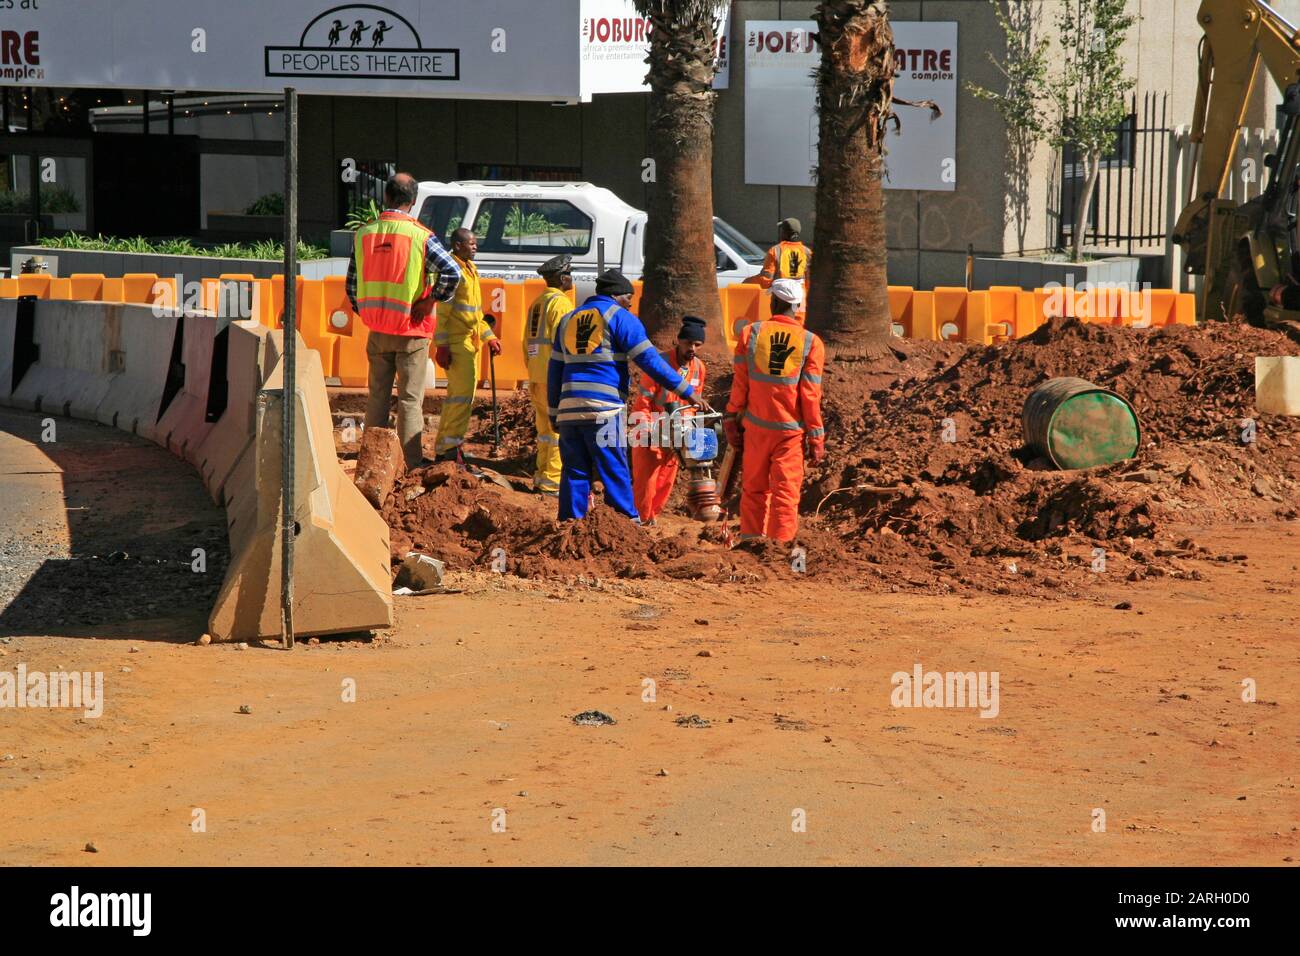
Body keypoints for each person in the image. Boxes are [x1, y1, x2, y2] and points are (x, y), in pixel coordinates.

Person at [548, 269, 712, 521]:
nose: (630, 304)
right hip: (603, 409)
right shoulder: (620, 318)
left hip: (569, 407)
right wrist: (687, 391)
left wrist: (553, 412)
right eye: (629, 299)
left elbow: (555, 369)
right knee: (614, 466)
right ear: (617, 296)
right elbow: (650, 361)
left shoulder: (568, 319)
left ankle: (569, 523)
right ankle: (627, 524)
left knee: (574, 470)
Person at [347, 172, 461, 470]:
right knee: (410, 401)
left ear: (386, 196)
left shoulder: (364, 234)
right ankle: (412, 465)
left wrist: (372, 312)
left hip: (378, 330)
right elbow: (453, 273)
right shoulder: (421, 236)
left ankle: (372, 465)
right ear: (413, 201)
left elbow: (352, 285)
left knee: (377, 399)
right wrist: (430, 300)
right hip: (411, 331)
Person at [723, 278, 825, 546]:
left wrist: (731, 416)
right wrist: (816, 437)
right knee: (785, 495)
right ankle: (779, 550)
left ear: (775, 302)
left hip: (756, 428)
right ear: (797, 306)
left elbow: (740, 383)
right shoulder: (811, 343)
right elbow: (810, 396)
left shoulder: (750, 333)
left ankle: (750, 544)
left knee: (754, 490)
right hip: (789, 434)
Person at [629, 315, 708, 524]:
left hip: (675, 434)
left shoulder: (699, 368)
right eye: (688, 342)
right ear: (679, 341)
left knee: (666, 479)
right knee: (646, 480)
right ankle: (641, 518)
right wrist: (644, 428)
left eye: (697, 344)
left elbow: (693, 404)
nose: (692, 348)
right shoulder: (660, 364)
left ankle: (652, 516)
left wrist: (687, 431)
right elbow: (644, 399)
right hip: (651, 428)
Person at [433, 228, 501, 461]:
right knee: (461, 397)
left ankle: (449, 445)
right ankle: (448, 450)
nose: (475, 247)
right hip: (455, 343)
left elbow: (475, 313)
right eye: (471, 244)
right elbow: (442, 312)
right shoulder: (452, 271)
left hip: (468, 341)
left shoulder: (469, 270)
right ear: (458, 245)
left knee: (460, 397)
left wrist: (488, 336)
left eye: (475, 243)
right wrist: (441, 346)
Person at [525, 254, 574, 495]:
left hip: (536, 375)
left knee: (544, 431)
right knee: (558, 430)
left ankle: (541, 476)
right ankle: (552, 481)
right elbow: (567, 342)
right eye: (570, 274)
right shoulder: (562, 303)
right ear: (562, 278)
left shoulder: (537, 303)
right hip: (554, 377)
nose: (571, 278)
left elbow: (527, 342)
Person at [744, 218, 812, 289]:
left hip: (780, 297)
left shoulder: (775, 250)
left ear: (784, 233)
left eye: (781, 230)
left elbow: (766, 280)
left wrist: (747, 282)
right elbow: (810, 278)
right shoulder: (807, 252)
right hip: (801, 296)